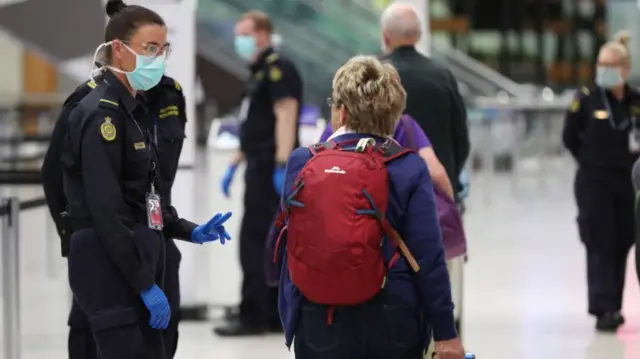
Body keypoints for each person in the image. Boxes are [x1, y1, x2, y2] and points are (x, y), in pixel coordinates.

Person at [58, 2, 232, 358]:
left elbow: (142, 195)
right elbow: (108, 211)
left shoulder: (131, 111)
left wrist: (188, 230)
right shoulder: (100, 115)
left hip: (137, 256)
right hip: (111, 265)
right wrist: (145, 284)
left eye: (163, 49)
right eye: (150, 48)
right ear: (119, 50)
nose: (159, 57)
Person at [273, 55, 464, 359]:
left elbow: (284, 240)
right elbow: (428, 258)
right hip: (391, 316)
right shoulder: (407, 167)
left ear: (343, 111)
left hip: (316, 315)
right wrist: (446, 334)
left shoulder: (303, 160)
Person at [214, 10, 302, 337]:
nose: (240, 40)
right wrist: (235, 163)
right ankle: (266, 312)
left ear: (262, 34)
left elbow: (286, 115)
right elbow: (254, 124)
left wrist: (282, 165)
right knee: (264, 239)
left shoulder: (279, 68)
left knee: (258, 240)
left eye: (244, 33)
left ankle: (254, 314)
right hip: (258, 163)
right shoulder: (259, 71)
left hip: (269, 167)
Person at [562, 30, 640, 332]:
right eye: (600, 64)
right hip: (594, 182)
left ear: (624, 69)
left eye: (609, 65)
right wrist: (589, 161)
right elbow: (570, 137)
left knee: (623, 242)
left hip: (629, 184)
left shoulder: (635, 101)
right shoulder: (586, 98)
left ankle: (614, 304)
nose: (603, 71)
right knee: (599, 242)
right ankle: (601, 307)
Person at [380, 3, 470, 199]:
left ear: (386, 36)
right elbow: (461, 138)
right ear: (418, 36)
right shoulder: (443, 75)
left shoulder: (374, 76)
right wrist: (451, 179)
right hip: (437, 192)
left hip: (386, 194)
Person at [319, 114, 454, 199]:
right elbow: (436, 172)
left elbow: (316, 172)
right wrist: (452, 211)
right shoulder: (405, 126)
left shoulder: (335, 128)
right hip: (394, 231)